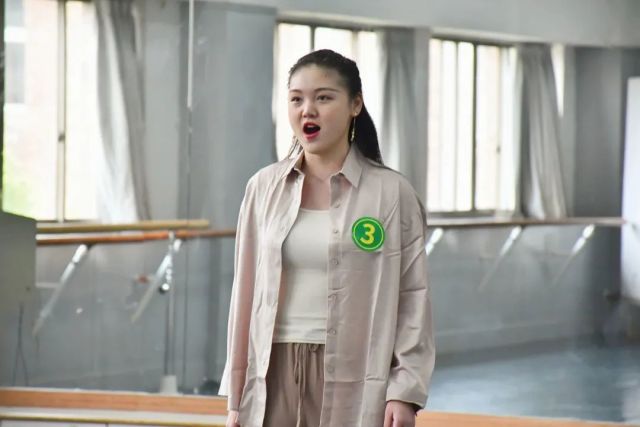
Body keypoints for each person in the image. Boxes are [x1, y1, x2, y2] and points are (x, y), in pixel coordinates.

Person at [219, 49, 435, 427]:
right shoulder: (263, 187)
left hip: (358, 373)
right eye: (296, 99)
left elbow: (412, 297)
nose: (308, 110)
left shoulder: (391, 193)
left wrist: (405, 390)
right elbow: (245, 293)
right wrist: (237, 396)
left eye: (323, 98)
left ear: (355, 105)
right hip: (272, 371)